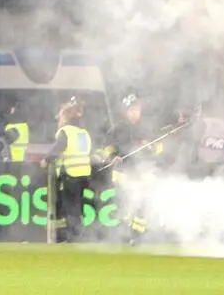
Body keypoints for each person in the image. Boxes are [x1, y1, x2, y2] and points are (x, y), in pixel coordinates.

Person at [102, 94, 155, 244]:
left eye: (137, 109)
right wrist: (113, 157)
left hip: (141, 172)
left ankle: (136, 235)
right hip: (123, 173)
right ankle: (125, 234)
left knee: (141, 205)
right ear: (127, 111)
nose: (135, 112)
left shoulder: (146, 129)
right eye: (132, 109)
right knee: (126, 205)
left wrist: (151, 147)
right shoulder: (118, 129)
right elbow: (107, 147)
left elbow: (158, 149)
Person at [43, 101, 93, 243]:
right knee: (76, 205)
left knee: (71, 207)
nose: (58, 120)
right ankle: (70, 235)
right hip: (84, 174)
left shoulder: (66, 132)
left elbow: (57, 149)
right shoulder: (83, 133)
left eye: (60, 117)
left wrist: (46, 160)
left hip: (71, 174)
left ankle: (74, 237)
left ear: (65, 117)